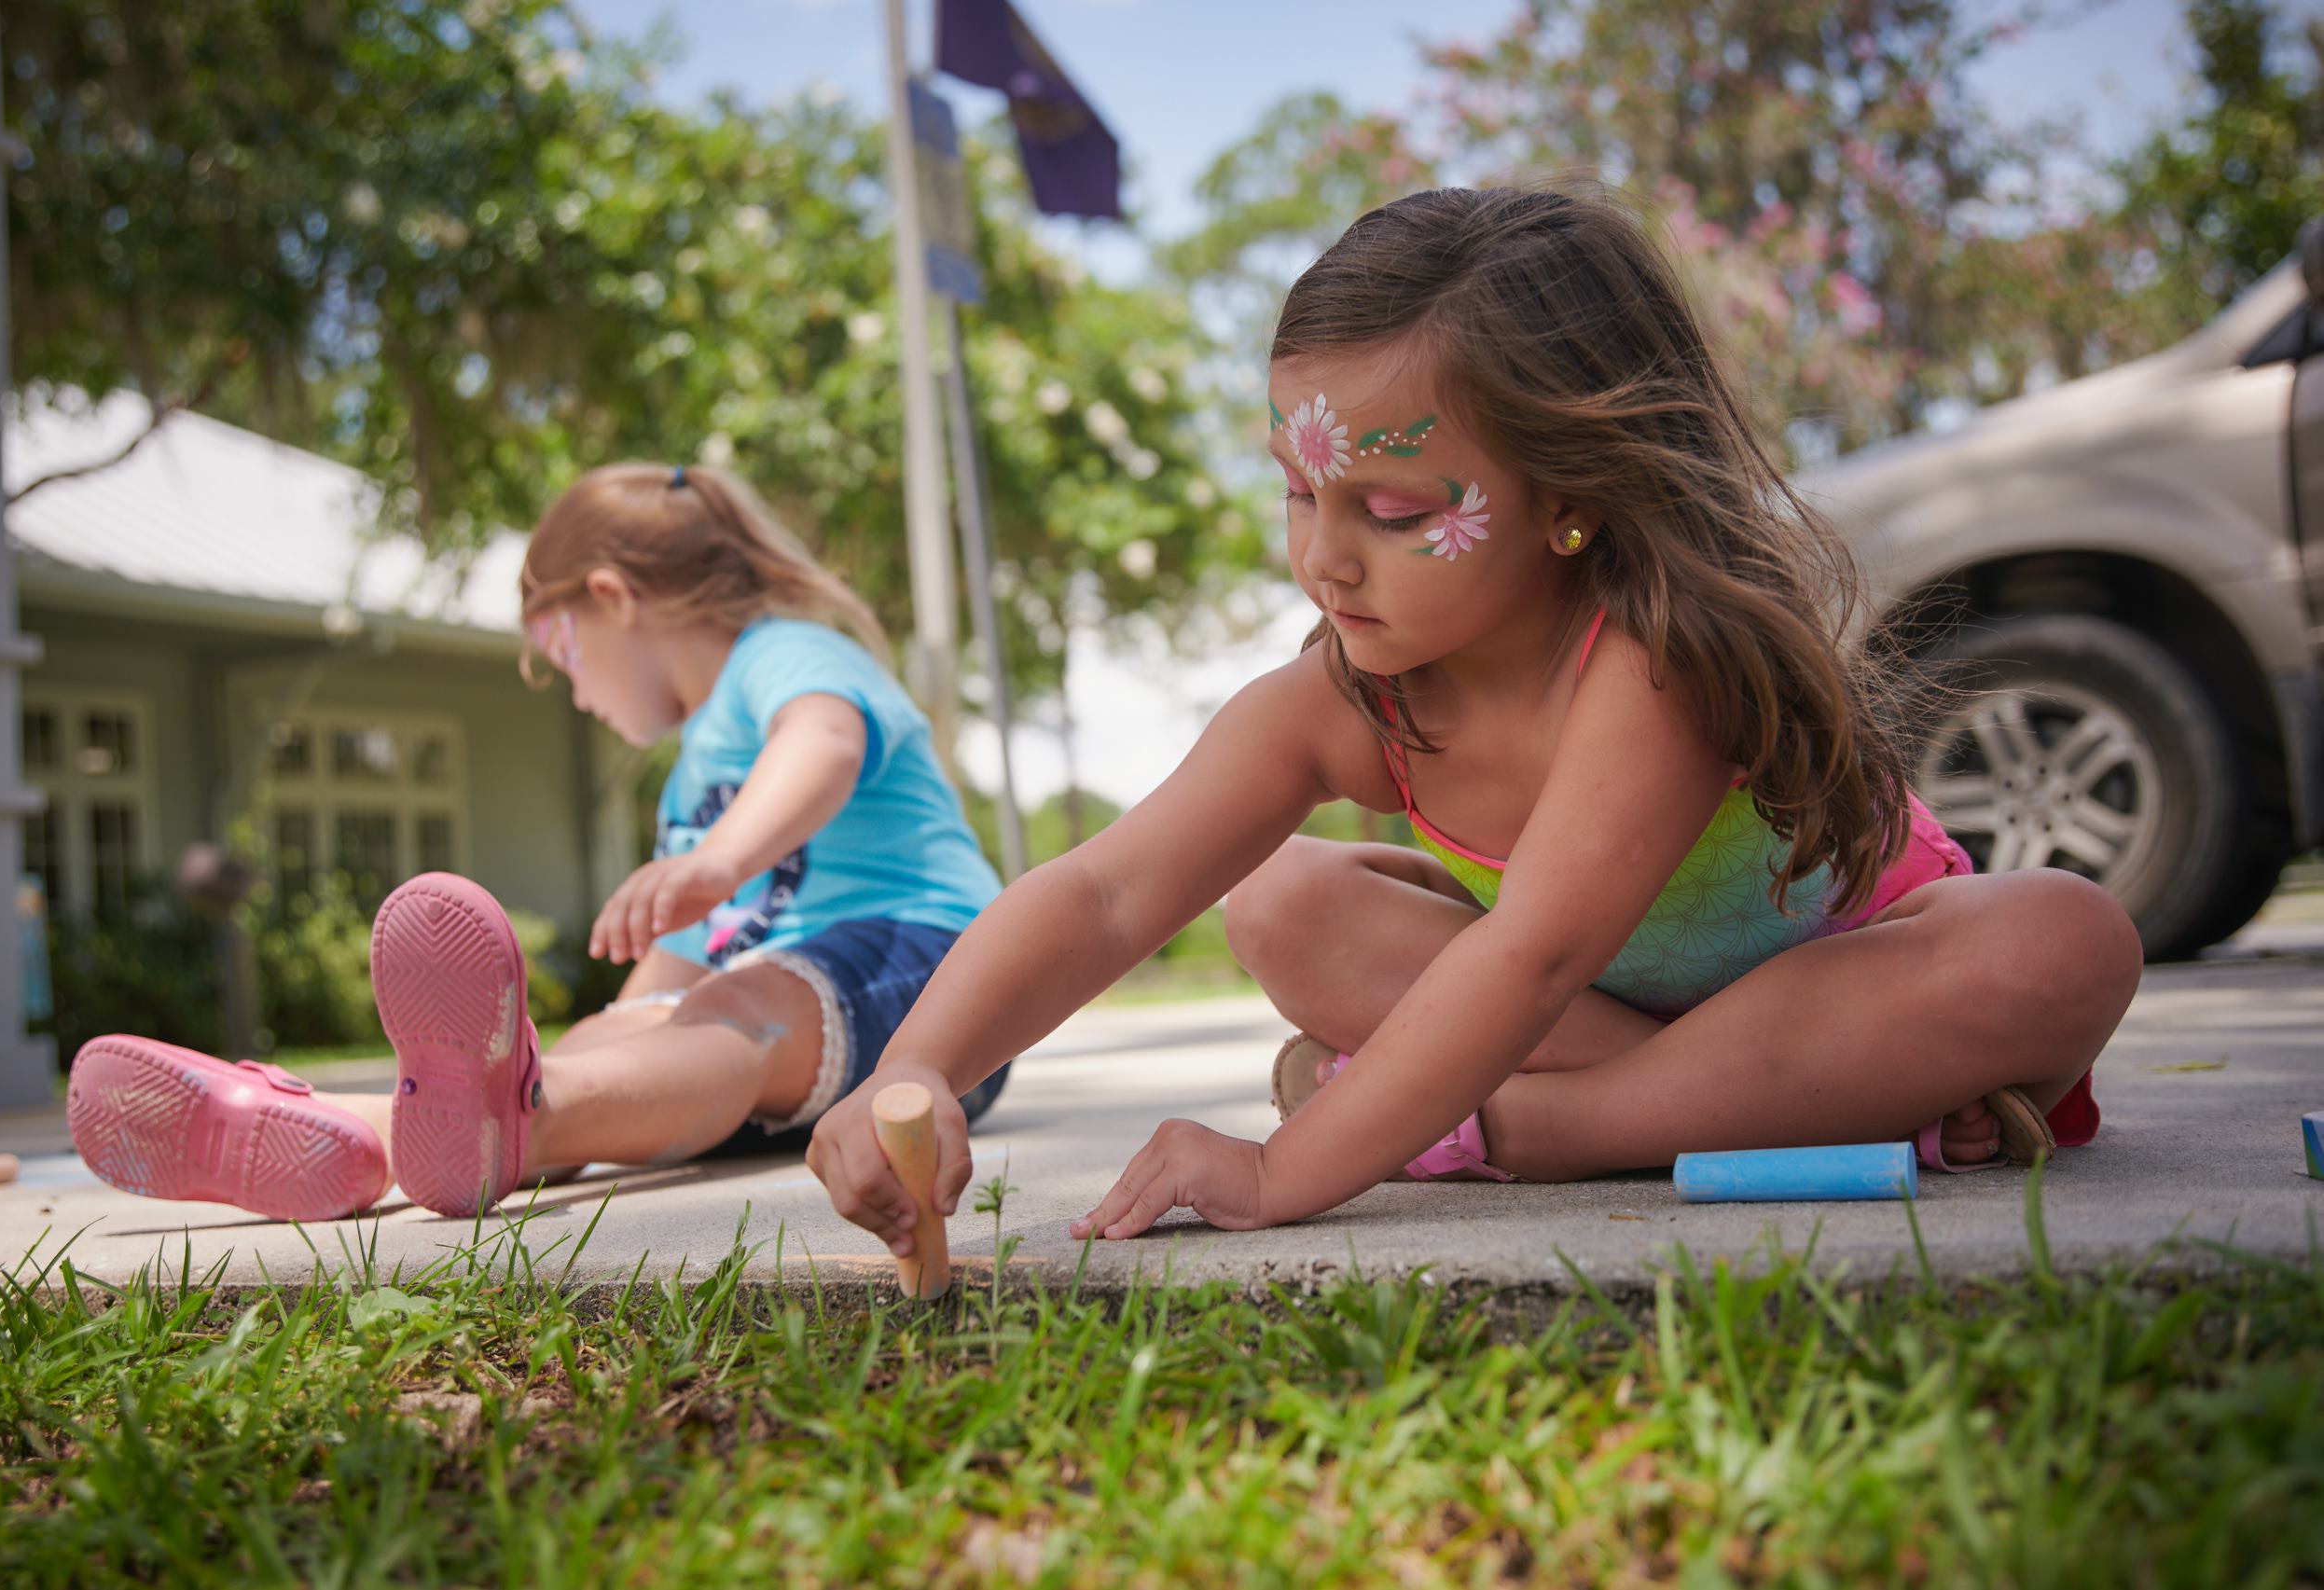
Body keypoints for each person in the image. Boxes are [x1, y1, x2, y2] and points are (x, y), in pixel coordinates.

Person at [806, 185, 2141, 1256]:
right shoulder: (1344, 697)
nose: (1323, 560)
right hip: (1622, 1031)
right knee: (1278, 903)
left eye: (1390, 514)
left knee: (2057, 940)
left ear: (1573, 491)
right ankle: (1793, 1113)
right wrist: (908, 1067)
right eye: (1296, 493)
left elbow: (1527, 964)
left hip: (1827, 986)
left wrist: (1288, 1168)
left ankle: (1523, 1129)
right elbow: (1102, 894)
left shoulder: (1657, 662)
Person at [67, 463, 1007, 1219]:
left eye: (561, 656)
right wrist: (620, 1030)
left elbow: (823, 741)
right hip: (786, 1050)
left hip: (939, 989)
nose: (575, 691)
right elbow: (678, 969)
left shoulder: (784, 654)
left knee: (740, 1006)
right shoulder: (689, 785)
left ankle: (510, 1118)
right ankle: (360, 1135)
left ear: (611, 596)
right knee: (611, 1038)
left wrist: (715, 862)